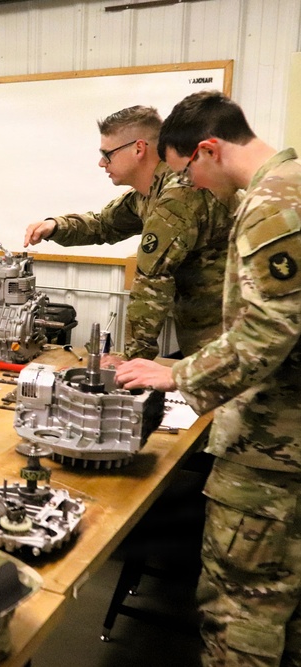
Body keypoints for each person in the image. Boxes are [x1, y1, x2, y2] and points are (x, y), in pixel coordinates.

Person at [115, 91, 301, 666]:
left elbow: (269, 331)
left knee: (240, 614)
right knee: (284, 610)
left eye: (187, 172)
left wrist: (179, 377)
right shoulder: (291, 183)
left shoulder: (271, 203)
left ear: (208, 150)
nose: (191, 187)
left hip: (271, 447)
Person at [23, 105, 237, 362]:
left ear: (138, 148)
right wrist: (56, 226)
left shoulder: (179, 194)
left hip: (233, 336)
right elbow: (104, 225)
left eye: (107, 154)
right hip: (213, 334)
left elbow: (151, 281)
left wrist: (133, 361)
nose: (101, 163)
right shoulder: (149, 194)